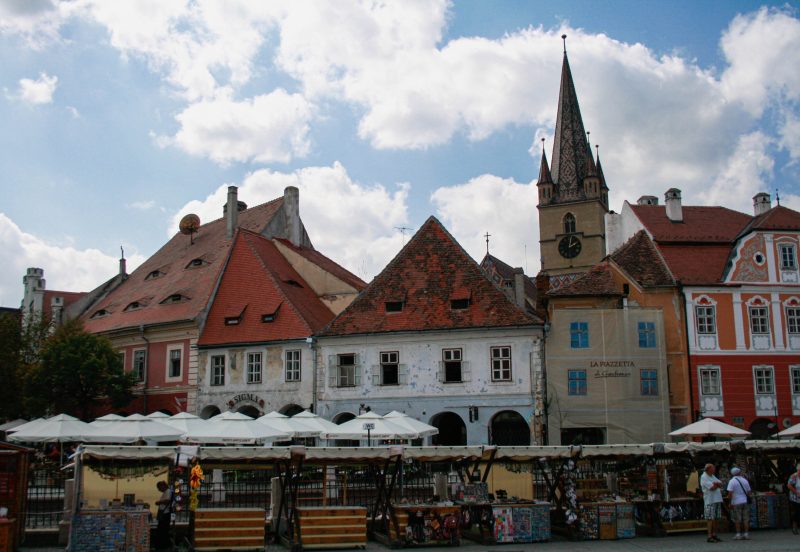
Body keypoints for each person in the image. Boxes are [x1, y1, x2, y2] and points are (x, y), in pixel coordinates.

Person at [700, 463, 724, 543]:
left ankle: (714, 534)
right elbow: (712, 488)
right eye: (713, 468)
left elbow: (721, 484)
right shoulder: (704, 477)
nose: (714, 469)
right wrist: (716, 484)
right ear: (709, 469)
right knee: (710, 518)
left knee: (716, 518)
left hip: (716, 499)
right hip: (710, 500)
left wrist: (716, 484)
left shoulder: (712, 476)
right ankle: (709, 536)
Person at [726, 467, 751, 540]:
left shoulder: (732, 481)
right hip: (745, 501)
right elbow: (749, 492)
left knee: (737, 519)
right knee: (746, 519)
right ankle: (746, 534)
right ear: (740, 473)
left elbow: (730, 493)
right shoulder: (745, 480)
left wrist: (730, 503)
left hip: (736, 502)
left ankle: (738, 534)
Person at [154, 480, 173, 550]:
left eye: (159, 488)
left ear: (163, 486)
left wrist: (158, 502)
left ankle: (162, 546)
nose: (159, 490)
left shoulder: (168, 491)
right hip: (163, 514)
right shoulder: (165, 492)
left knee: (163, 530)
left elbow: (167, 501)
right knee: (161, 530)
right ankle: (161, 545)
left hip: (165, 514)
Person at [789, 464, 800, 535]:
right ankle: (794, 527)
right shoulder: (794, 476)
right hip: (795, 498)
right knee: (796, 513)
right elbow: (789, 485)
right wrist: (797, 492)